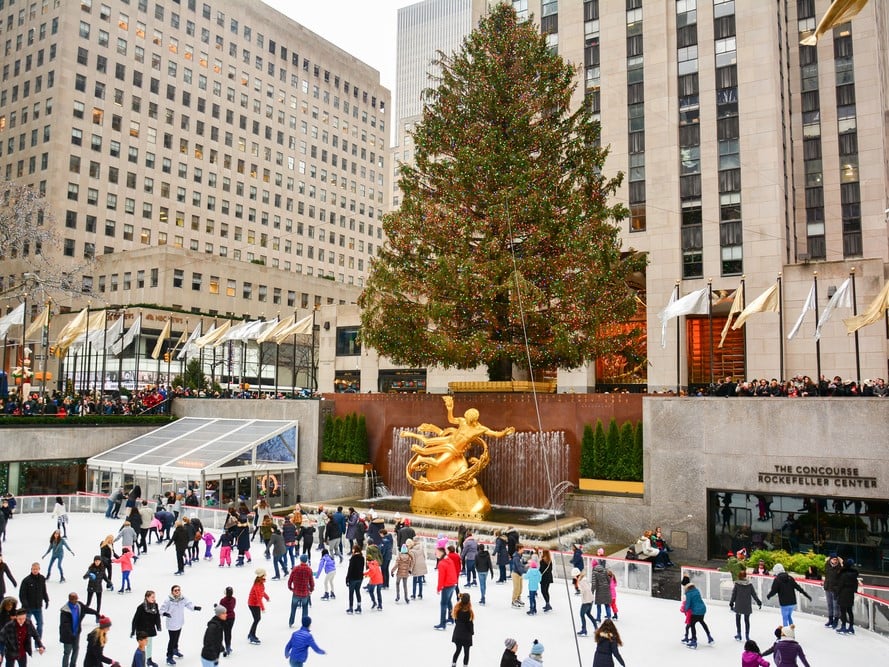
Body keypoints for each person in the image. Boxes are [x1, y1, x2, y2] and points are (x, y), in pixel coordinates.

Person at [159, 585, 200, 665]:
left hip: (179, 622)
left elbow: (188, 604)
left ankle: (175, 650)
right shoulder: (168, 600)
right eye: (175, 590)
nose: (177, 591)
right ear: (172, 592)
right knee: (172, 640)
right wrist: (165, 613)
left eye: (178, 590)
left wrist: (194, 608)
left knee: (176, 638)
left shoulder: (182, 598)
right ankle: (169, 656)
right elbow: (161, 609)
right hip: (171, 624)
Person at [59, 592, 98, 667]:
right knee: (67, 652)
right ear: (70, 600)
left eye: (77, 599)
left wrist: (96, 613)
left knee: (76, 650)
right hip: (67, 636)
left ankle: (73, 665)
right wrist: (71, 635)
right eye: (75, 599)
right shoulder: (65, 611)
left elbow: (87, 609)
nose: (76, 601)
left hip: (76, 633)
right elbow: (65, 625)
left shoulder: (79, 605)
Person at [130, 590, 162, 667]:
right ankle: (140, 660)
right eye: (152, 597)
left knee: (149, 644)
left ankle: (149, 660)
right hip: (142, 629)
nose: (154, 598)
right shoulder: (141, 608)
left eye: (154, 597)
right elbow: (135, 620)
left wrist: (158, 625)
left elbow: (157, 616)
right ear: (147, 597)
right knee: (142, 645)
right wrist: (133, 630)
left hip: (150, 628)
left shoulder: (155, 605)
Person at [18, 563, 48, 639]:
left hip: (38, 607)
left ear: (39, 569)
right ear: (31, 569)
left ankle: (38, 644)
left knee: (40, 625)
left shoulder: (42, 578)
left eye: (36, 569)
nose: (35, 570)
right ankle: (25, 642)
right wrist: (25, 605)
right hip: (28, 608)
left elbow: (43, 590)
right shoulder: (26, 580)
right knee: (26, 626)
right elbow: (22, 595)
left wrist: (46, 600)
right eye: (33, 569)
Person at [730, 569, 762, 642]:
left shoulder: (737, 584)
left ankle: (739, 634)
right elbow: (754, 594)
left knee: (738, 619)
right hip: (747, 605)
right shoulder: (749, 585)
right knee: (747, 620)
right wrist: (758, 602)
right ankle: (747, 635)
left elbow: (734, 594)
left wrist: (731, 603)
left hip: (739, 604)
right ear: (745, 576)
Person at [683, 579, 713, 649]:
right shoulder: (697, 591)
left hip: (696, 611)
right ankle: (709, 637)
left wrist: (685, 609)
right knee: (702, 621)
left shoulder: (689, 594)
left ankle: (694, 641)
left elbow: (688, 604)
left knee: (692, 624)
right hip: (703, 609)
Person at [434, 546, 458, 630]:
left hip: (447, 585)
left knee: (443, 604)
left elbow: (441, 577)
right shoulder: (449, 560)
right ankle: (451, 618)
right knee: (448, 602)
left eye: (436, 552)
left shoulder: (442, 563)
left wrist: (439, 588)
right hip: (453, 584)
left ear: (441, 552)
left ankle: (442, 623)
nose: (435, 553)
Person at [287, 555, 314, 626]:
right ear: (306, 560)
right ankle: (304, 624)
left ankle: (291, 622)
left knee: (293, 608)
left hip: (296, 592)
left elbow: (290, 580)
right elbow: (311, 582)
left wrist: (290, 588)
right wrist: (311, 590)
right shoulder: (309, 570)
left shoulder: (295, 569)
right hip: (305, 593)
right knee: (305, 609)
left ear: (300, 560)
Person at [836, 557, 860, 634]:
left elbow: (840, 585)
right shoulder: (854, 575)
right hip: (850, 594)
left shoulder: (843, 574)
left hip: (843, 593)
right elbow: (856, 584)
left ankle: (843, 626)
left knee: (843, 611)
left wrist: (837, 593)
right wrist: (854, 591)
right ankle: (851, 627)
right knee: (849, 611)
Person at [450, 593, 474, 667]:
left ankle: (453, 664)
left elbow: (456, 621)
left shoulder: (457, 610)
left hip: (458, 634)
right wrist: (472, 632)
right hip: (466, 636)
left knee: (458, 650)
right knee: (466, 652)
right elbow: (470, 625)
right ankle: (465, 665)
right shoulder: (469, 613)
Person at [246, 569, 268, 645]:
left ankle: (251, 634)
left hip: (255, 604)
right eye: (264, 575)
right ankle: (251, 635)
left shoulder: (260, 583)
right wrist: (262, 608)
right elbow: (258, 597)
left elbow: (262, 592)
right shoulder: (257, 585)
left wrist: (266, 597)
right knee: (257, 619)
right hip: (253, 604)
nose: (266, 576)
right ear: (261, 576)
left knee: (257, 619)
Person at [822, 553, 843, 629]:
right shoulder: (827, 565)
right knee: (829, 604)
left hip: (835, 590)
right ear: (830, 559)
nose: (835, 561)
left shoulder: (839, 568)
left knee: (836, 606)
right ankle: (830, 619)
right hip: (828, 588)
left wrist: (841, 563)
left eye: (836, 559)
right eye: (833, 559)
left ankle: (836, 620)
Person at [575, 568, 597, 636]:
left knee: (582, 614)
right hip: (590, 600)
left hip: (586, 601)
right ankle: (596, 627)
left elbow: (585, 590)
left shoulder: (582, 581)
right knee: (588, 614)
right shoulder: (584, 579)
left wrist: (580, 591)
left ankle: (584, 630)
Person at [344, 544, 364, 615]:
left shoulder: (353, 558)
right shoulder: (362, 558)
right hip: (360, 578)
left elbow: (350, 569)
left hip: (353, 578)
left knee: (351, 593)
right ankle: (359, 607)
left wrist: (347, 578)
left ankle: (351, 608)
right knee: (358, 592)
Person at [217, 588, 236, 657]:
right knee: (229, 632)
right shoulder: (234, 599)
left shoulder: (222, 600)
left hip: (224, 618)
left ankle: (223, 647)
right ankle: (228, 646)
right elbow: (233, 606)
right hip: (232, 617)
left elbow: (221, 610)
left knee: (224, 632)